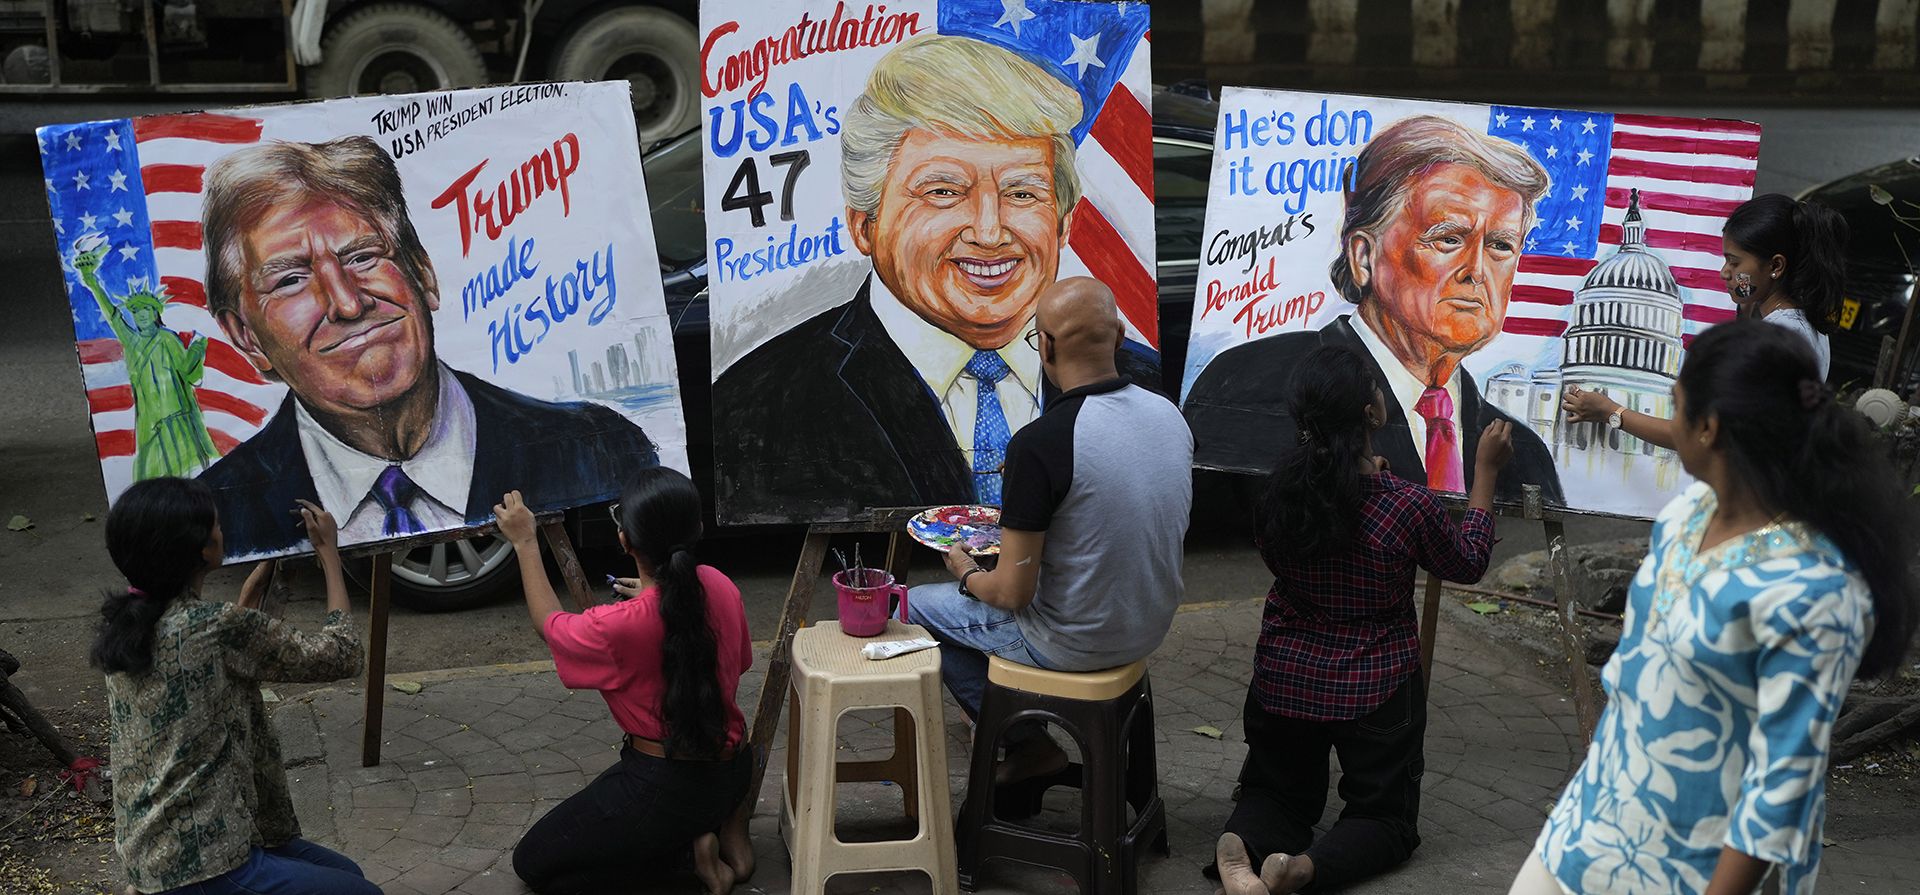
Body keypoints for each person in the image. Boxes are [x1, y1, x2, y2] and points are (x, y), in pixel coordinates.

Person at [1510, 320, 1918, 895]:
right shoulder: (1688, 514)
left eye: (1675, 409)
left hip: (1693, 866)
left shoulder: (1815, 589)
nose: (1669, 426)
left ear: (1708, 428)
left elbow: (1782, 784)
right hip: (1590, 823)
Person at [710, 34, 1159, 521]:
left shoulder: (1143, 388)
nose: (989, 232)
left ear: (1064, 223)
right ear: (866, 223)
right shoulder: (760, 405)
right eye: (944, 191)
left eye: (1022, 194)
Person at [195, 136, 656, 558]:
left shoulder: (597, 446)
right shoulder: (220, 509)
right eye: (291, 280)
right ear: (247, 337)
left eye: (363, 256)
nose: (348, 304)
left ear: (423, 272)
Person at [1212, 345, 1512, 895]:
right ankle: (1303, 871)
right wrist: (1485, 474)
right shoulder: (1404, 504)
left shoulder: (1276, 495)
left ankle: (1241, 847)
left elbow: (1288, 549)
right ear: (1372, 414)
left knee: (1276, 797)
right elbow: (1467, 561)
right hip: (1374, 686)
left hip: (1285, 676)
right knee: (1383, 818)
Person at [1183, 115, 1563, 504]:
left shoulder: (1522, 452)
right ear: (1364, 256)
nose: (1477, 272)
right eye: (1448, 238)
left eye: (1501, 246)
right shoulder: (1253, 384)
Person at [909, 277, 1192, 786]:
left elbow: (1012, 593)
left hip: (1072, 641)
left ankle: (1026, 742)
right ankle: (1025, 735)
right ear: (1120, 336)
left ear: (1049, 346)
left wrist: (966, 570)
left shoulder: (1042, 443)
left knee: (908, 611)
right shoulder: (1169, 415)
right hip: (1147, 626)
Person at [93, 478, 372, 894]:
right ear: (202, 550)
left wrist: (247, 599)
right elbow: (342, 653)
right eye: (218, 526)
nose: (224, 531)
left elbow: (201, 677)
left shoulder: (127, 625)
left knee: (347, 874)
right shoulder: (215, 627)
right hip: (204, 865)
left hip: (151, 853)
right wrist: (330, 555)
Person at [496, 471, 755, 895]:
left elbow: (549, 624)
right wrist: (660, 604)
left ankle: (693, 859)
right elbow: (736, 662)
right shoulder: (720, 585)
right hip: (731, 768)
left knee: (535, 864)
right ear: (698, 530)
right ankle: (729, 834)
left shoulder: (615, 627)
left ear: (625, 542)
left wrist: (526, 543)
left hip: (666, 786)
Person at [1561, 193, 1850, 445]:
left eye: (1735, 262)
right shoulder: (1804, 326)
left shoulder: (1774, 343)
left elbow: (1702, 435)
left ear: (1775, 266)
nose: (1725, 273)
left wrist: (1612, 412)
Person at [71, 234, 222, 479]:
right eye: (136, 311)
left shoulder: (168, 339)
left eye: (146, 310)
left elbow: (186, 370)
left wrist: (197, 347)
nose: (141, 315)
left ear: (156, 313)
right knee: (157, 478)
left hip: (178, 416)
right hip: (151, 423)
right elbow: (112, 314)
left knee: (190, 473)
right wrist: (91, 279)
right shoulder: (131, 340)